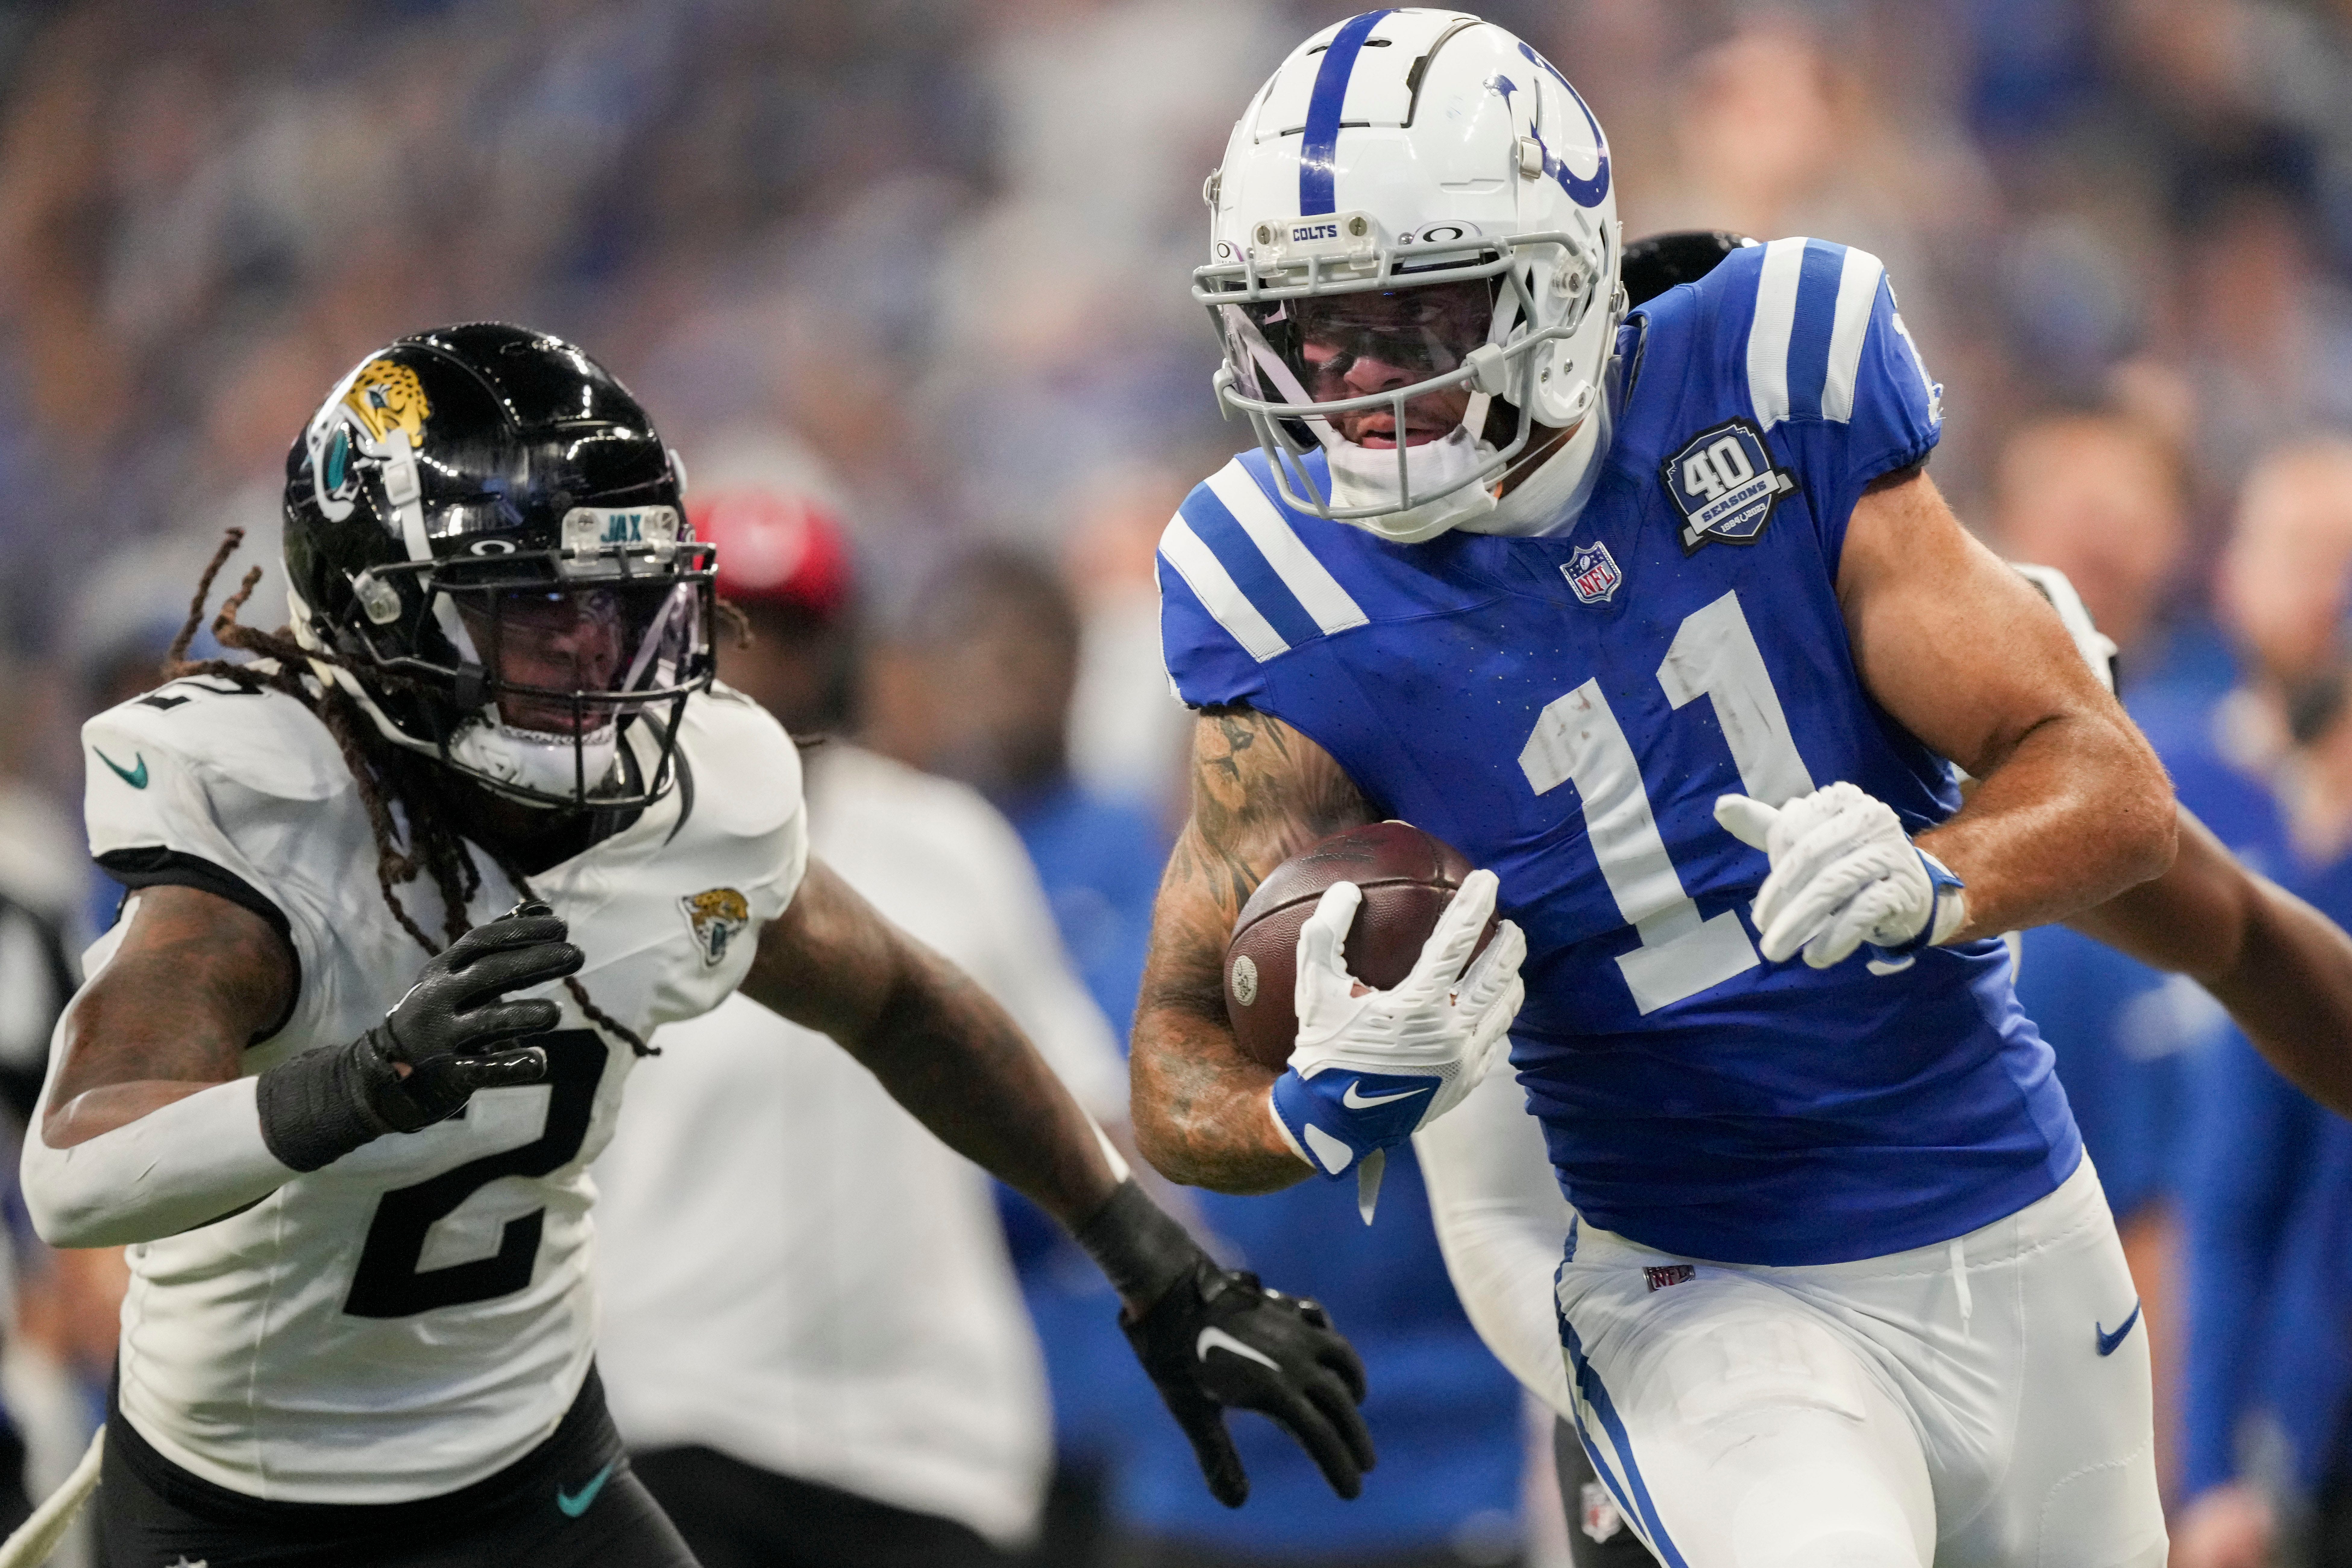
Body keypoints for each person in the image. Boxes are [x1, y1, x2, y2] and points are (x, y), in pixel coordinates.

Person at [22, 325, 1374, 1568]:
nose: (590, 644)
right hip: (245, 1495)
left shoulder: (689, 797)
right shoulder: (276, 825)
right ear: (383, 614)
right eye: (532, 604)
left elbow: (900, 1001)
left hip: (530, 1470)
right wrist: (351, 1086)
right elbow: (78, 1163)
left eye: (614, 599)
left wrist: (1154, 1266)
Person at [1135, 14, 2184, 1564]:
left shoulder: (1770, 367)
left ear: (1556, 278)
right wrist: (1306, 1104)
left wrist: (1933, 873)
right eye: (1303, 326)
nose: (1344, 377)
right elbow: (1172, 1052)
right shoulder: (1272, 584)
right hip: (1695, 1278)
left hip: (2010, 1208)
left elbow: (2109, 781)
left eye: (1401, 312)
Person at [590, 482, 1129, 1566]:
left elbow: (1077, 1101)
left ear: (842, 647)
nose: (758, 666)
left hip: (929, 1435)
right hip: (675, 1411)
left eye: (788, 631)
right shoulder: (595, 864)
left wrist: (1164, 1268)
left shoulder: (948, 844)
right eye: (725, 630)